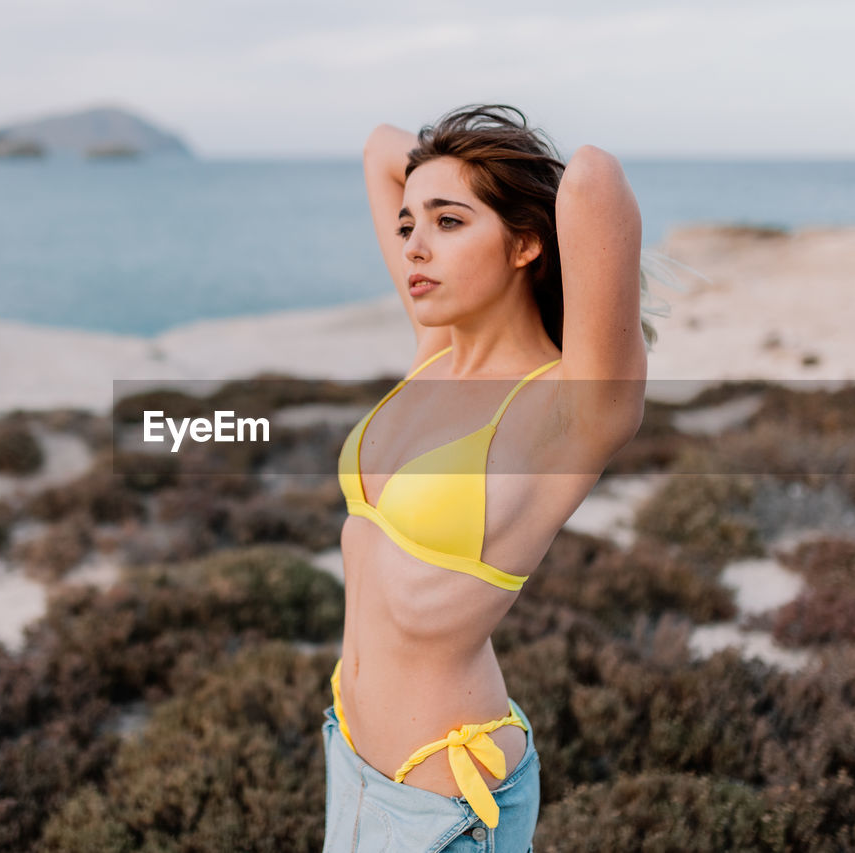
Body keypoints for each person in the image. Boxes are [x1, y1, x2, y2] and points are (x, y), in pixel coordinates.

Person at [322, 104, 662, 852]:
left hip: (444, 804)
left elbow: (595, 179)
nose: (414, 246)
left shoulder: (571, 406)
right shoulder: (434, 351)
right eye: (408, 226)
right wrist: (448, 175)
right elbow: (382, 149)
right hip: (347, 753)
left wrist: (507, 169)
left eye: (449, 222)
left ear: (526, 242)